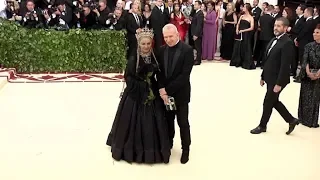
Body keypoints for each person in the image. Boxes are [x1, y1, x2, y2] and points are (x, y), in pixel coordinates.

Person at [106, 28, 171, 164]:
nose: (146, 46)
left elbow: (159, 75)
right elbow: (128, 77)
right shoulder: (133, 58)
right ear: (139, 44)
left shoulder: (154, 56)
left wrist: (159, 87)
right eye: (143, 44)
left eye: (148, 44)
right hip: (136, 93)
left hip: (151, 91)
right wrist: (141, 85)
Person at [250, 17, 300, 135]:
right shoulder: (273, 40)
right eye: (275, 26)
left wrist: (279, 83)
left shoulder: (287, 43)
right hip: (269, 76)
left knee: (268, 101)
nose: (275, 28)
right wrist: (263, 76)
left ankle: (262, 126)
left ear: (285, 28)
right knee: (274, 101)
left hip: (278, 79)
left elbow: (285, 66)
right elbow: (267, 60)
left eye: (279, 26)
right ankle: (291, 120)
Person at [157, 24, 194, 164]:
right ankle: (169, 144)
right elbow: (159, 72)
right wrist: (161, 89)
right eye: (165, 37)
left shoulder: (187, 50)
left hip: (181, 95)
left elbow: (184, 76)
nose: (168, 39)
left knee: (183, 123)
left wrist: (166, 90)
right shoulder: (161, 50)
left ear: (177, 34)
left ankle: (186, 149)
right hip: (166, 96)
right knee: (168, 121)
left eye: (170, 36)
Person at [297, 24, 320, 128]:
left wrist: (318, 73)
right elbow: (305, 60)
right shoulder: (308, 45)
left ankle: (312, 121)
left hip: (318, 75)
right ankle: (302, 119)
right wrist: (308, 72)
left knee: (314, 98)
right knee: (304, 96)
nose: (314, 34)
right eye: (314, 32)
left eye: (317, 32)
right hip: (307, 74)